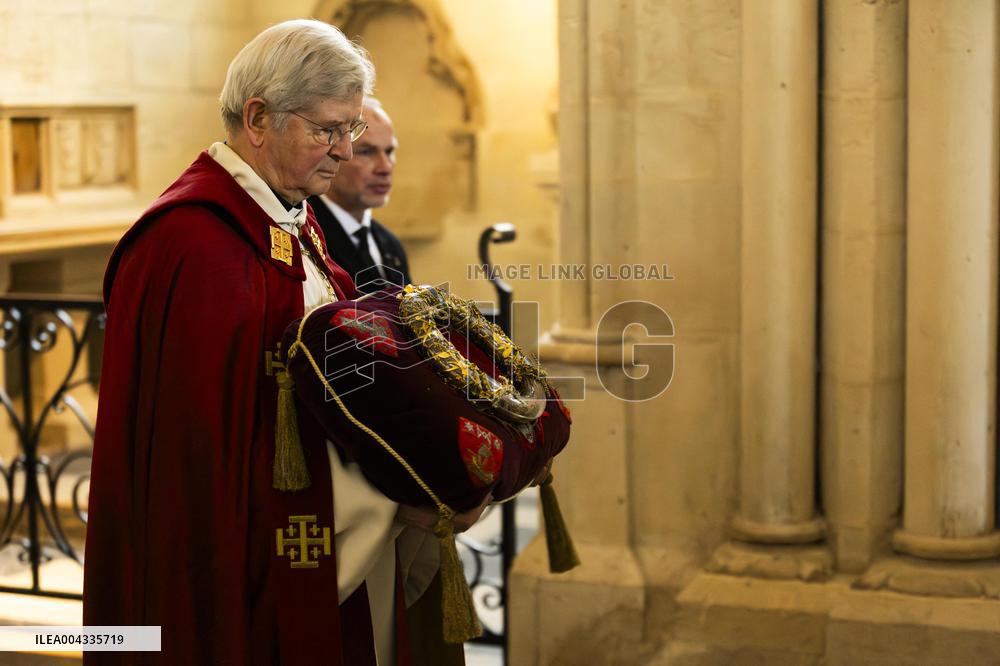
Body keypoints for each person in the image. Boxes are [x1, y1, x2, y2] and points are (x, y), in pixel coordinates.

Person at [83, 20, 483, 665]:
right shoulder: (191, 243)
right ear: (259, 117)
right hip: (245, 571)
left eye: (352, 130)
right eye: (328, 129)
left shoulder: (293, 226)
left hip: (329, 546)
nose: (345, 150)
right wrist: (395, 499)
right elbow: (200, 461)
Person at [309, 98, 412, 294]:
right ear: (335, 153)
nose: (385, 167)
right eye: (366, 152)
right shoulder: (305, 231)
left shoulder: (391, 245)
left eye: (389, 151)